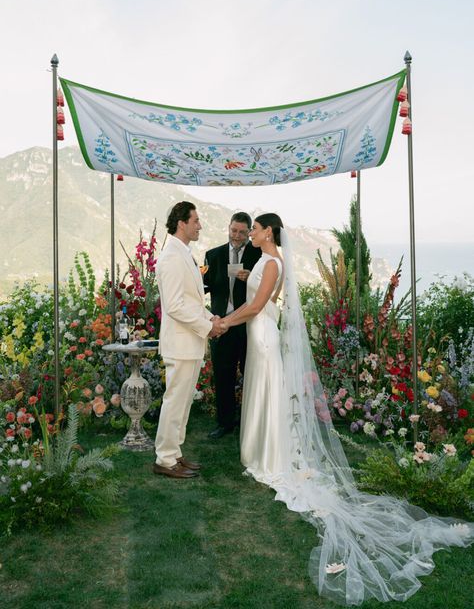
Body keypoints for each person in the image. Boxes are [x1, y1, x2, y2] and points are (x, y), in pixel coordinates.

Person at [219, 213, 474, 606]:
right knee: (260, 394)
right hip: (259, 337)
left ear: (268, 231)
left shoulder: (271, 263)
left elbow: (256, 307)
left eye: (254, 228)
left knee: (266, 395)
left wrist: (223, 322)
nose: (250, 232)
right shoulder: (264, 262)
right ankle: (260, 449)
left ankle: (269, 455)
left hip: (264, 337)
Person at [153, 201, 221, 479]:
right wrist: (207, 327)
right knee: (174, 401)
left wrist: (211, 317)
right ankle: (165, 459)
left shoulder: (184, 253)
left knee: (183, 402)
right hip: (181, 343)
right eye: (196, 221)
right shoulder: (170, 256)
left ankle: (175, 453)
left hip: (190, 343)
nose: (200, 225)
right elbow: (175, 306)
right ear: (182, 223)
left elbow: (191, 301)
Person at [203, 212, 261, 439]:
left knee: (252, 373)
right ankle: (224, 422)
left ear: (249, 232)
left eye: (242, 232)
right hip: (222, 324)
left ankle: (251, 422)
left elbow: (267, 286)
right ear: (228, 228)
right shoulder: (212, 255)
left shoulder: (259, 255)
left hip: (248, 324)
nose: (237, 236)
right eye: (233, 231)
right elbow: (204, 286)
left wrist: (252, 278)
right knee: (223, 375)